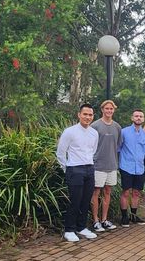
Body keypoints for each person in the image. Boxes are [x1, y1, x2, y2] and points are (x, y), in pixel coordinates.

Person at [55, 103, 100, 242]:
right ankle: (69, 229)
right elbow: (60, 153)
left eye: (90, 115)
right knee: (75, 200)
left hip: (89, 169)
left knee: (86, 200)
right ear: (79, 115)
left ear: (93, 117)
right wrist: (68, 169)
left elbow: (93, 151)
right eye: (85, 114)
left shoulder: (94, 133)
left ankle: (81, 227)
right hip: (74, 169)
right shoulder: (70, 132)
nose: (87, 117)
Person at [90, 100, 122, 232]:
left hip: (112, 165)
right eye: (107, 108)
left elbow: (118, 145)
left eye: (111, 109)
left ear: (114, 110)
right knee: (96, 192)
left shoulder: (117, 127)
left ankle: (104, 219)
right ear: (102, 110)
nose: (109, 111)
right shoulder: (95, 126)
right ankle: (95, 221)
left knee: (108, 192)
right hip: (98, 165)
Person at [118, 109, 145, 227]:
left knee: (136, 193)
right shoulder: (124, 132)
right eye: (136, 116)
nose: (138, 118)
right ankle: (124, 217)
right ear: (132, 118)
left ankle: (134, 216)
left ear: (143, 119)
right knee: (126, 192)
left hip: (140, 168)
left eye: (141, 116)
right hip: (126, 166)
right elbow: (118, 147)